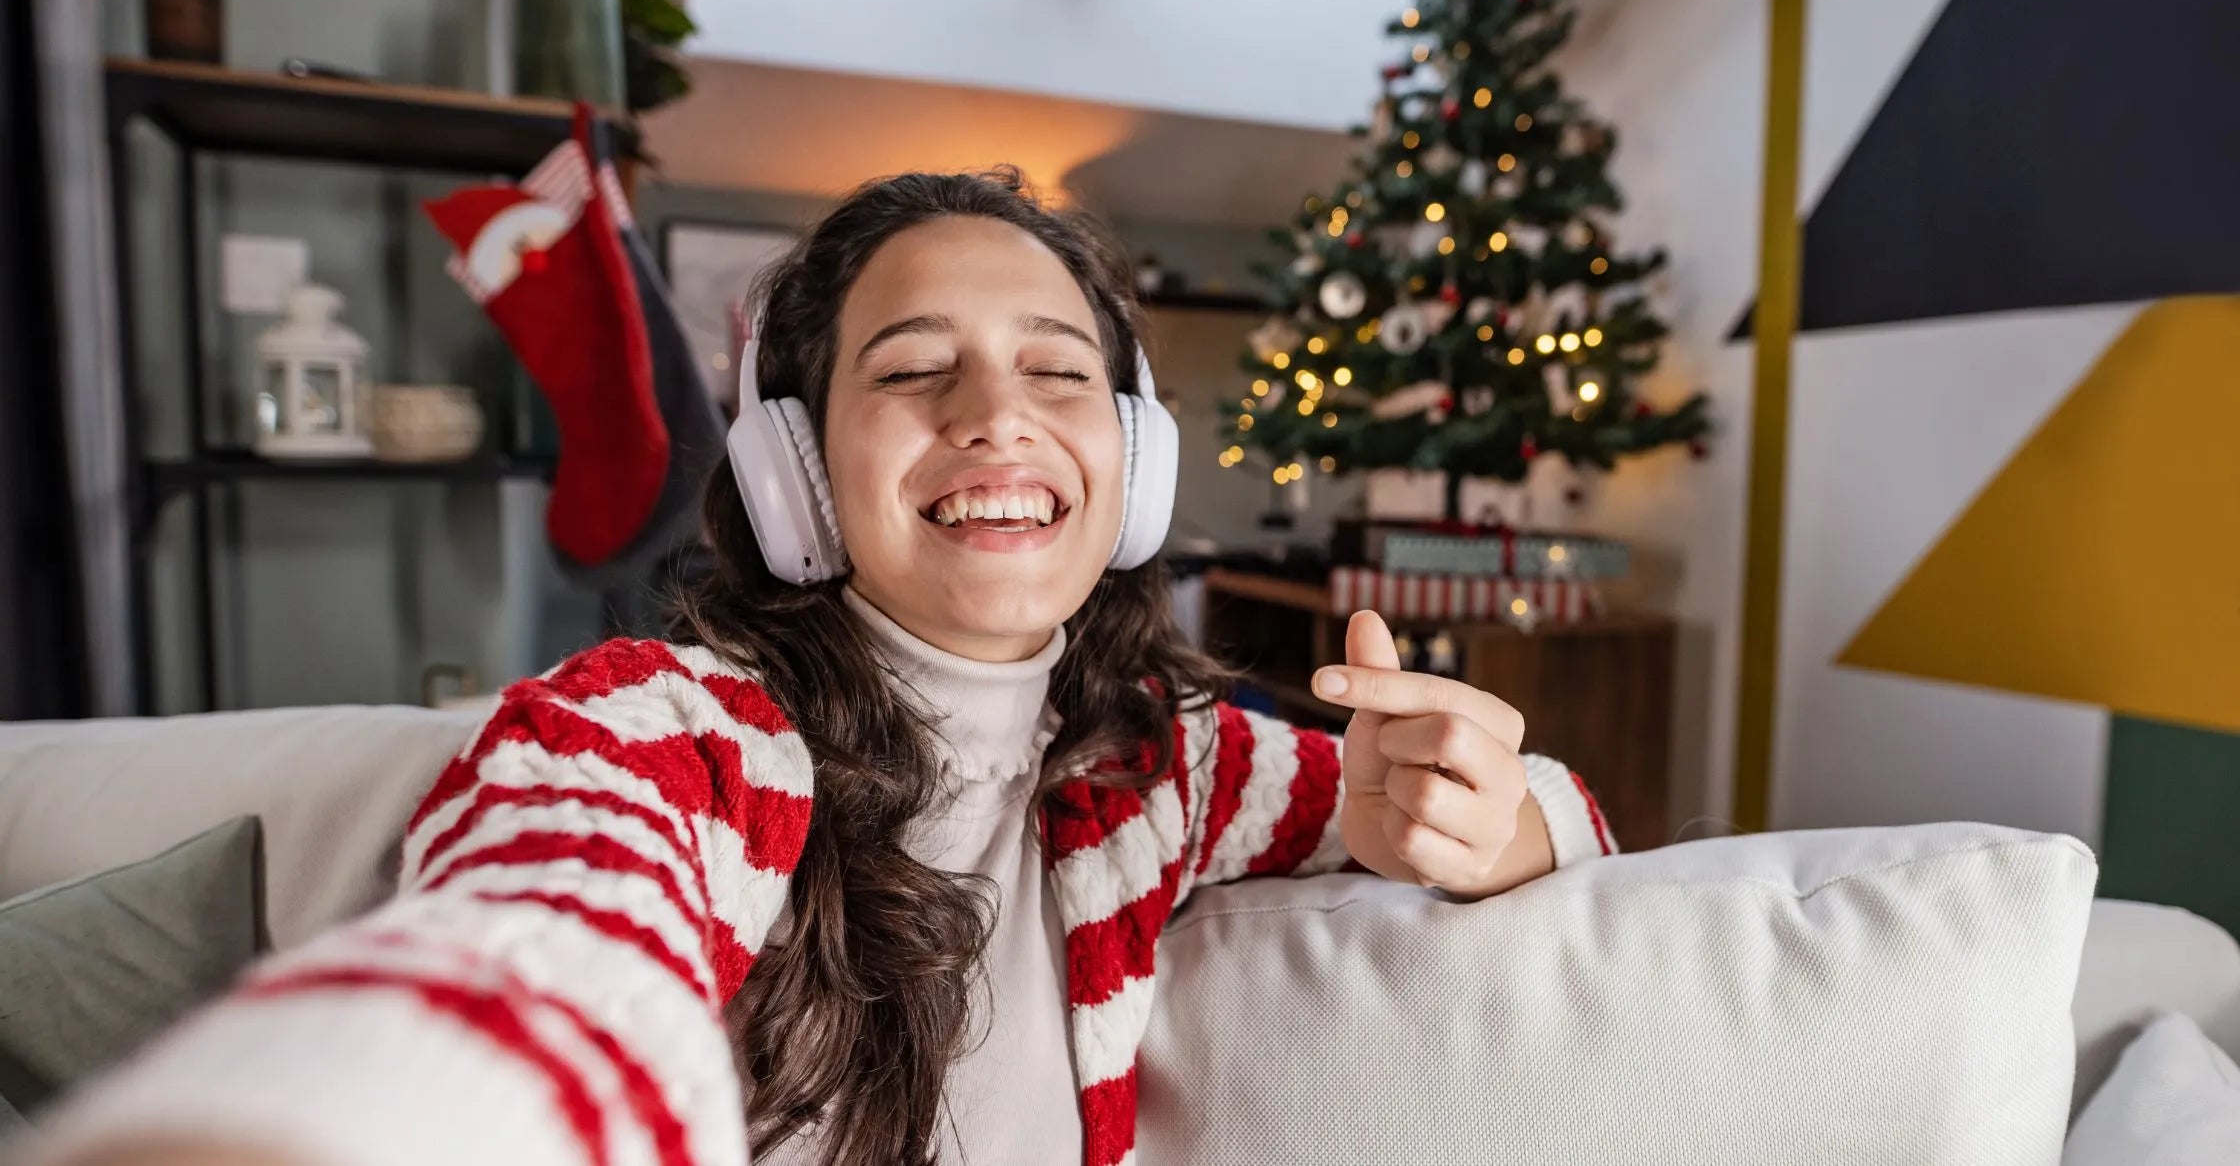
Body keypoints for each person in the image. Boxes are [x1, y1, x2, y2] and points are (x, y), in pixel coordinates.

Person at [31, 169, 1615, 1166]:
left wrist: (1498, 817)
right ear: (794, 473)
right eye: (916, 370)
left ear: (1131, 468)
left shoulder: (1168, 760)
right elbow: (542, 940)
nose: (998, 413)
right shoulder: (658, 736)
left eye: (1059, 374)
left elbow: (1563, 821)